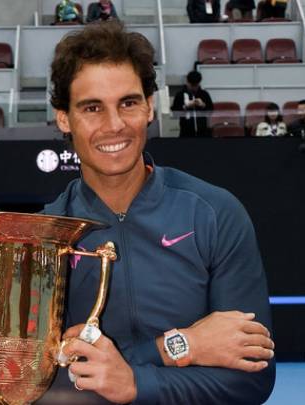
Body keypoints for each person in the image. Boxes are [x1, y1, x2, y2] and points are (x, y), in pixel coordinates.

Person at [38, 22, 275, 404]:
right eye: (92, 107)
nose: (114, 125)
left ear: (150, 106)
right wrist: (182, 346)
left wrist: (131, 380)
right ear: (64, 118)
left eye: (128, 103)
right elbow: (43, 387)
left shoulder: (215, 213)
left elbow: (252, 378)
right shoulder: (44, 237)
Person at [171, 70, 214, 137]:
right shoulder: (180, 95)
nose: (194, 88)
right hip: (185, 133)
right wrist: (185, 106)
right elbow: (174, 112)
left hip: (203, 133)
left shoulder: (204, 94)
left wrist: (203, 105)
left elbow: (211, 110)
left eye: (196, 85)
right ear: (187, 82)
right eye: (192, 85)